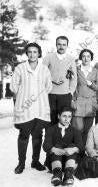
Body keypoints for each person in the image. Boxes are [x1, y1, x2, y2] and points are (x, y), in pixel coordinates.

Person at [10, 43, 52, 174]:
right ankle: (21, 163)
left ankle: (35, 161)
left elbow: (49, 87)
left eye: (35, 52)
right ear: (26, 53)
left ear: (39, 53)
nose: (32, 54)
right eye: (29, 52)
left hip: (40, 107)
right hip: (25, 107)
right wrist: (24, 94)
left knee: (38, 135)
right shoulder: (20, 68)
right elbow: (13, 87)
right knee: (23, 135)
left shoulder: (44, 69)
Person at [43, 107, 84, 186]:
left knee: (72, 146)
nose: (67, 119)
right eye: (64, 116)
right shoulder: (51, 129)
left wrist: (74, 149)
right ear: (59, 116)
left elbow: (81, 146)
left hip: (70, 161)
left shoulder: (75, 130)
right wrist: (54, 149)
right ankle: (57, 174)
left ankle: (68, 174)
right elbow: (45, 145)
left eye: (69, 117)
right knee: (57, 146)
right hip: (54, 161)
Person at [43, 36, 77, 125]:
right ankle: (49, 138)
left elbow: (73, 78)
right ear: (56, 45)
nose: (61, 47)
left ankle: (62, 138)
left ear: (67, 46)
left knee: (64, 121)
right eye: (59, 44)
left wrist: (71, 92)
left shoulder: (71, 59)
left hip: (65, 95)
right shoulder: (48, 57)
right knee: (50, 121)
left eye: (64, 45)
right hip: (50, 95)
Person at [71, 49, 98, 145]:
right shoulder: (75, 69)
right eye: (84, 56)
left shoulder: (95, 71)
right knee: (77, 129)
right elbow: (71, 85)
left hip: (90, 104)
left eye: (88, 56)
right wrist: (72, 100)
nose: (86, 58)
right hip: (78, 102)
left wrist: (91, 84)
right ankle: (76, 153)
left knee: (87, 131)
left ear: (91, 58)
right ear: (81, 58)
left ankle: (83, 153)